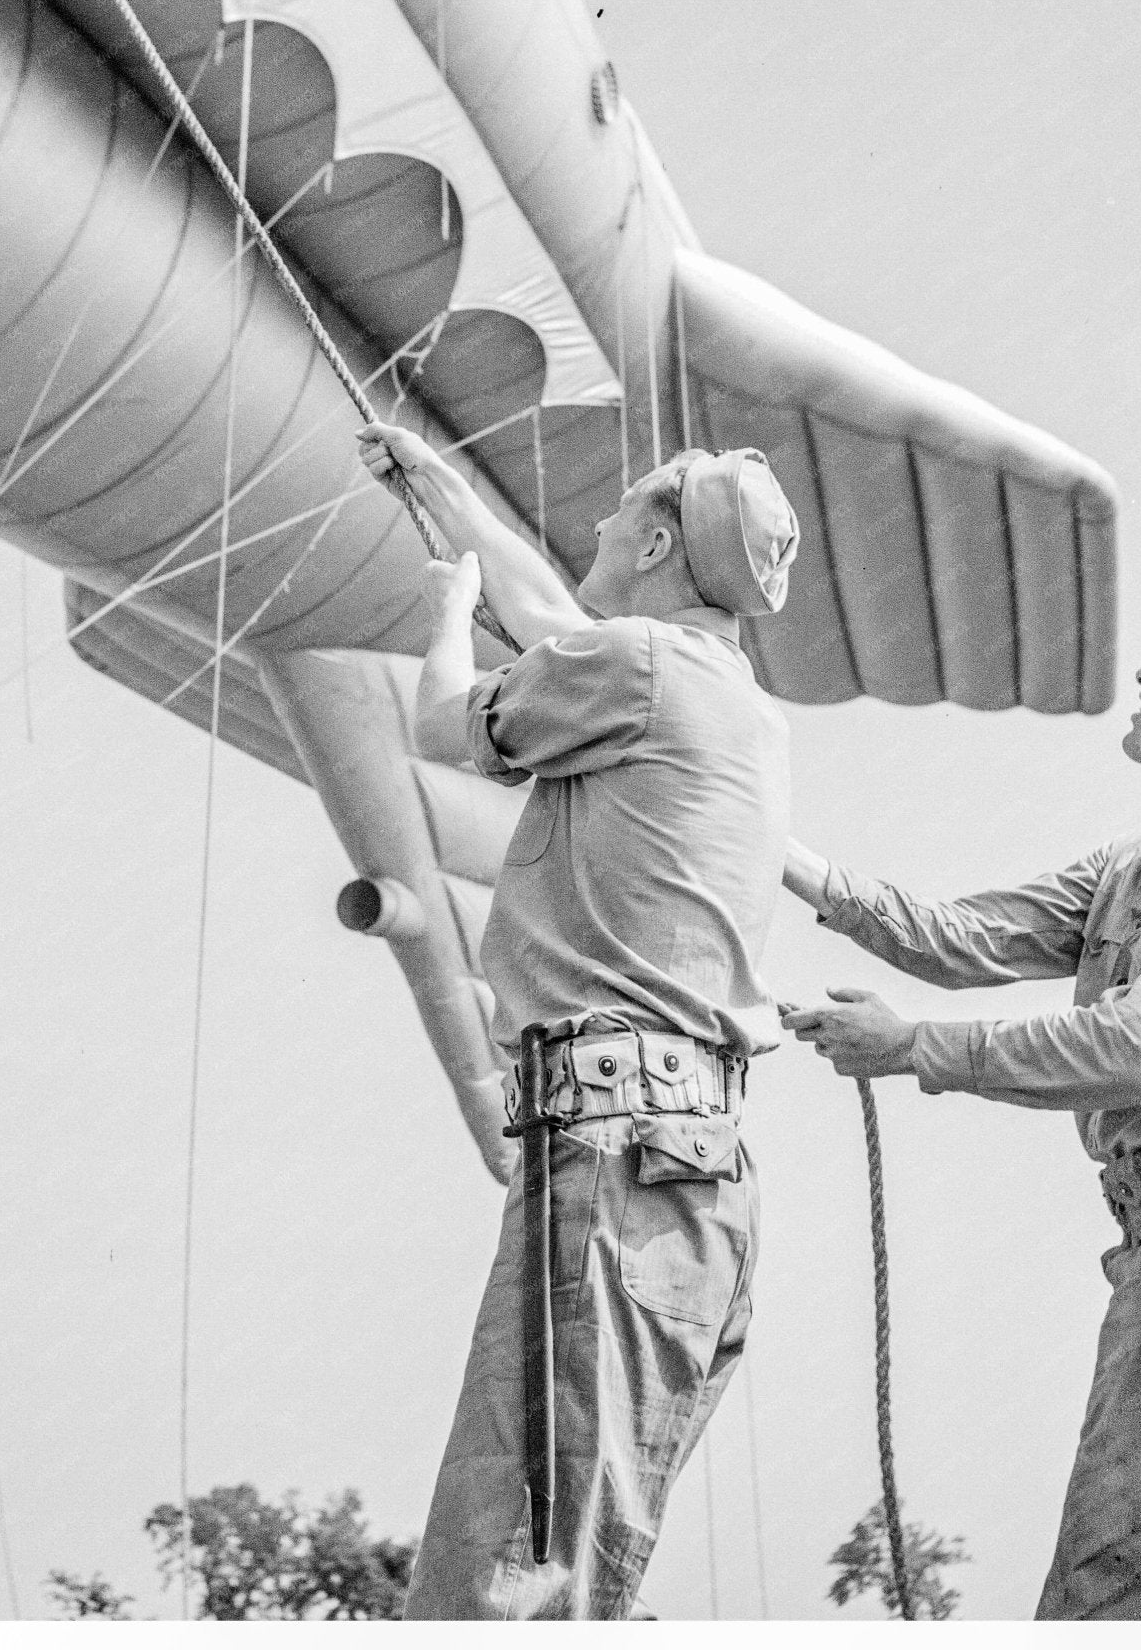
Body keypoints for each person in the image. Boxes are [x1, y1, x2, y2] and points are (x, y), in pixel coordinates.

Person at [782, 578, 1141, 1620]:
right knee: (1099, 1589)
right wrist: (779, 850)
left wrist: (910, 1046)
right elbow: (955, 938)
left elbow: (1136, 1046)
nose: (1139, 674)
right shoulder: (1135, 860)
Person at [356, 419, 799, 1619]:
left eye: (615, 517)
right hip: (687, 1171)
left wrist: (447, 607)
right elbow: (557, 620)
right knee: (574, 1551)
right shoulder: (723, 693)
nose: (594, 527)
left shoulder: (633, 666)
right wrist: (447, 500)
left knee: (508, 1566)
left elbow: (444, 722)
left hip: (605, 1155)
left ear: (655, 542)